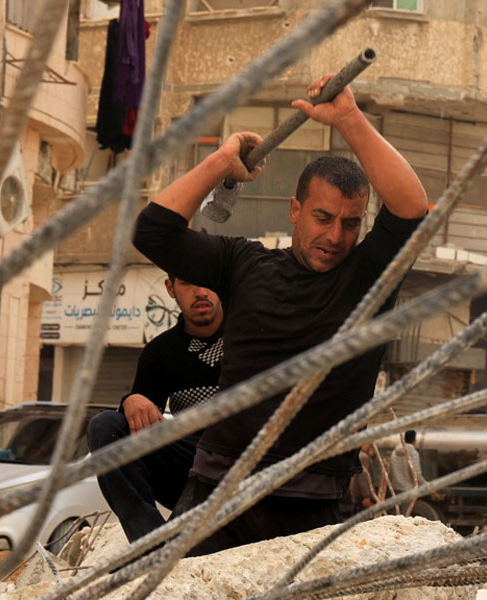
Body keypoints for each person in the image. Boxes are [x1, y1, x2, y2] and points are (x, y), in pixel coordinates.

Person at [133, 75, 427, 554]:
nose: (335, 236)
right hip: (218, 490)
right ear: (295, 210)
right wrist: (218, 164)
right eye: (323, 218)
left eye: (350, 223)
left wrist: (350, 120)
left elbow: (412, 208)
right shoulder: (243, 262)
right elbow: (154, 233)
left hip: (308, 502)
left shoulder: (369, 277)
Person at [87, 275, 223, 542]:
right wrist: (131, 400)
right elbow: (141, 428)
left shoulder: (252, 335)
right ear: (171, 289)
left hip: (252, 460)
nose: (200, 291)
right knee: (105, 427)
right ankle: (151, 546)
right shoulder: (160, 353)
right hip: (192, 465)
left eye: (209, 278)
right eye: (187, 283)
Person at [349, 444, 380, 508]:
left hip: (357, 493)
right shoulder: (364, 457)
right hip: (362, 495)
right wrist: (367, 496)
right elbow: (362, 478)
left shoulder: (359, 455)